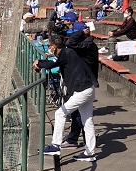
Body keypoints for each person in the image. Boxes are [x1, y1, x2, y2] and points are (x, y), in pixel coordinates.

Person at [34, 34, 97, 163]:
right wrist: (47, 59)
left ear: (54, 46)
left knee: (60, 113)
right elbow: (56, 60)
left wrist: (38, 63)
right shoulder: (68, 52)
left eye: (50, 46)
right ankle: (90, 153)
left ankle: (55, 146)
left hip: (82, 91)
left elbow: (53, 64)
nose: (49, 49)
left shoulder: (65, 54)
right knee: (88, 121)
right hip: (89, 88)